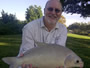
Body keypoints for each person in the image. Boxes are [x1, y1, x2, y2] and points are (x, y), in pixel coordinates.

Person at [18, 0, 67, 68]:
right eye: (50, 9)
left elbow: (58, 53)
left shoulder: (63, 29)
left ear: (61, 13)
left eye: (57, 10)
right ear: (44, 11)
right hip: (28, 64)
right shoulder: (29, 28)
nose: (53, 12)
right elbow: (27, 52)